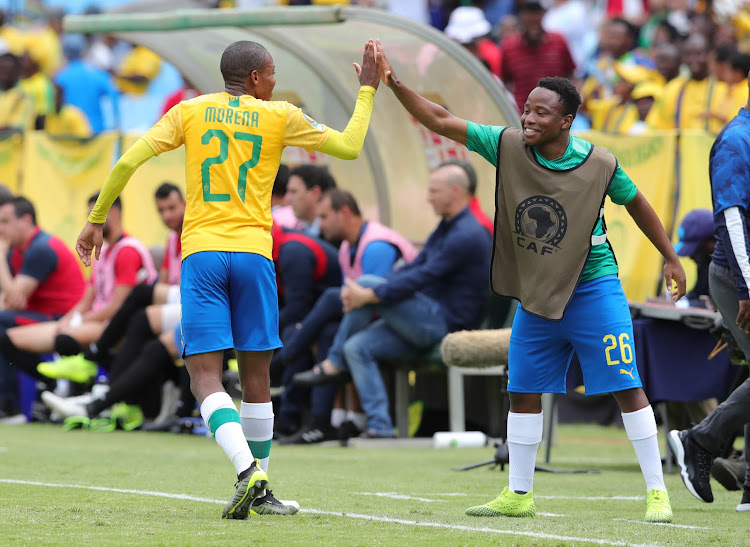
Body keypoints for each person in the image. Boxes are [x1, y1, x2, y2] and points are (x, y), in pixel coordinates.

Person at [374, 40, 685, 522]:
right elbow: (438, 119)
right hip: (539, 295)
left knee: (626, 385)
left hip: (591, 286)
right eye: (527, 109)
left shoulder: (600, 163)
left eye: (542, 113)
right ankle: (518, 495)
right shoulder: (506, 145)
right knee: (522, 388)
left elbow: (637, 202)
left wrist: (670, 257)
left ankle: (657, 493)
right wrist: (393, 83)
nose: (529, 119)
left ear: (566, 121)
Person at [74, 39, 382, 519]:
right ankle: (259, 481)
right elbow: (349, 145)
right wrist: (366, 91)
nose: (276, 80)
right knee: (256, 377)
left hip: (202, 255)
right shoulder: (280, 115)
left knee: (204, 377)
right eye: (273, 72)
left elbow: (129, 159)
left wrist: (96, 217)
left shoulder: (190, 111)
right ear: (255, 78)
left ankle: (248, 475)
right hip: (255, 256)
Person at [293, 162, 493, 440]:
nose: (428, 197)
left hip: (445, 323)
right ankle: (380, 427)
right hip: (423, 317)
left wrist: (372, 294)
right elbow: (414, 268)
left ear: (455, 191)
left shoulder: (467, 233)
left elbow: (423, 276)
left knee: (365, 283)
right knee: (357, 347)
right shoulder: (447, 227)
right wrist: (373, 294)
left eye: (434, 191)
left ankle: (332, 363)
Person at [667, 78, 750, 513]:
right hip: (739, 273)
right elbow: (732, 220)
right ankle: (698, 439)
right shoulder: (737, 139)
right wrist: (747, 287)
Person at [278, 188, 418, 443]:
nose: (319, 225)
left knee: (333, 300)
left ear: (344, 213)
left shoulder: (377, 246)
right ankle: (321, 422)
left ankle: (283, 358)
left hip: (407, 322)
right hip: (374, 318)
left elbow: (376, 301)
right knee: (328, 330)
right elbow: (352, 304)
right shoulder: (346, 247)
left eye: (324, 217)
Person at [0, 193, 156, 386]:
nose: (90, 223)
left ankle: (75, 387)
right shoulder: (103, 249)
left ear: (113, 213)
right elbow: (87, 300)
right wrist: (68, 321)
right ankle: (56, 388)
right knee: (7, 339)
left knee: (64, 339)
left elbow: (119, 308)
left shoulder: (127, 250)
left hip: (116, 323)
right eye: (89, 217)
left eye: (95, 215)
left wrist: (76, 321)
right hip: (87, 319)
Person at [0, 195, 85, 416]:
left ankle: (13, 404)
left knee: (2, 327)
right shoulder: (19, 249)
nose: (1, 228)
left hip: (65, 319)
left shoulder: (41, 248)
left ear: (26, 221)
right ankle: (48, 385)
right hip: (42, 315)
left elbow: (14, 299)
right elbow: (12, 300)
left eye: (5, 222)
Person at [500, 0, 575, 113]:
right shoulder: (509, 47)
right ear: (522, 17)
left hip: (555, 113)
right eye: (529, 14)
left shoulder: (558, 42)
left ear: (542, 15)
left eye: (536, 14)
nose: (533, 19)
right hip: (523, 114)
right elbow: (505, 82)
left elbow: (570, 74)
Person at [673, 208, 715, 306]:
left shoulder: (731, 267)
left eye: (695, 251)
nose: (691, 257)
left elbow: (718, 304)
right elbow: (699, 291)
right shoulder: (705, 264)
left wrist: (687, 304)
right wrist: (681, 300)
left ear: (711, 241)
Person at [284, 164, 337, 238]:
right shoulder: (301, 230)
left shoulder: (334, 235)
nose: (287, 199)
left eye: (293, 192)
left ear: (316, 193)